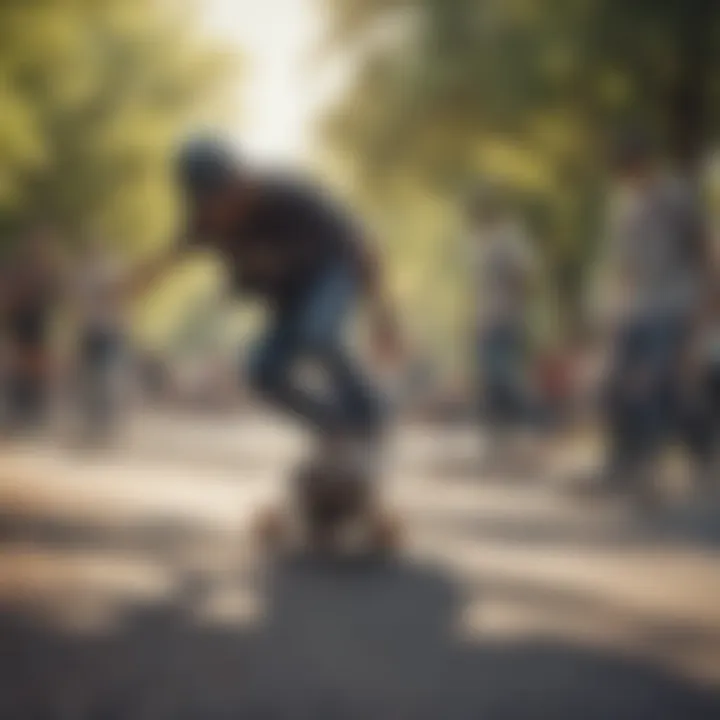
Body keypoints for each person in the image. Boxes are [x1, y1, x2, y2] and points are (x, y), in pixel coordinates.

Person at [152, 137, 400, 464]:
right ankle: (334, 430)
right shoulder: (205, 223)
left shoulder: (286, 195)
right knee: (260, 370)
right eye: (211, 204)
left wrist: (383, 314)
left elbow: (362, 244)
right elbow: (167, 258)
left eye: (228, 197)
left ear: (239, 181)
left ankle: (368, 412)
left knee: (318, 332)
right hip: (291, 304)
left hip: (333, 274)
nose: (223, 211)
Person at [597, 130, 715, 500]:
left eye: (630, 168)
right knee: (617, 381)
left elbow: (705, 249)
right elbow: (626, 266)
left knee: (657, 384)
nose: (628, 177)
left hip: (676, 302)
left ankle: (654, 464)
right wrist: (615, 310)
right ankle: (624, 461)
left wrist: (707, 306)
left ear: (645, 163)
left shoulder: (676, 198)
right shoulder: (626, 208)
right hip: (639, 308)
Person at [467, 186, 538, 466]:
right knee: (490, 380)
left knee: (505, 377)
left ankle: (527, 432)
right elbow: (480, 287)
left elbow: (524, 277)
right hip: (486, 319)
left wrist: (516, 309)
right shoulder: (481, 243)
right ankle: (496, 441)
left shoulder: (510, 239)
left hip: (505, 318)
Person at [0, 225, 62, 437]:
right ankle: (19, 412)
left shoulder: (48, 270)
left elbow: (56, 297)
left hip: (37, 323)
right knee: (18, 367)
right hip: (20, 321)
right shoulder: (19, 266)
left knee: (35, 367)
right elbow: (8, 292)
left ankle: (33, 413)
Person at [69, 237, 128, 443]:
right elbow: (78, 303)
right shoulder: (85, 273)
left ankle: (104, 426)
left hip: (106, 331)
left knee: (104, 378)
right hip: (92, 331)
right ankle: (94, 425)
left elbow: (117, 299)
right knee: (91, 378)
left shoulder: (107, 270)